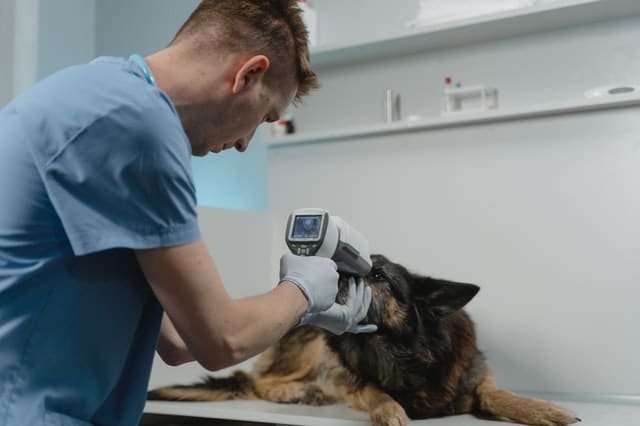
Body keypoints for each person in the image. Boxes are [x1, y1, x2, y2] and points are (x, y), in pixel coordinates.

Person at [0, 1, 376, 425]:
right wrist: (303, 290)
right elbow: (222, 340)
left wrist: (300, 312)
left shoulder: (99, 95)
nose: (245, 143)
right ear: (249, 74)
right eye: (265, 116)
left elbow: (181, 343)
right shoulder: (138, 126)